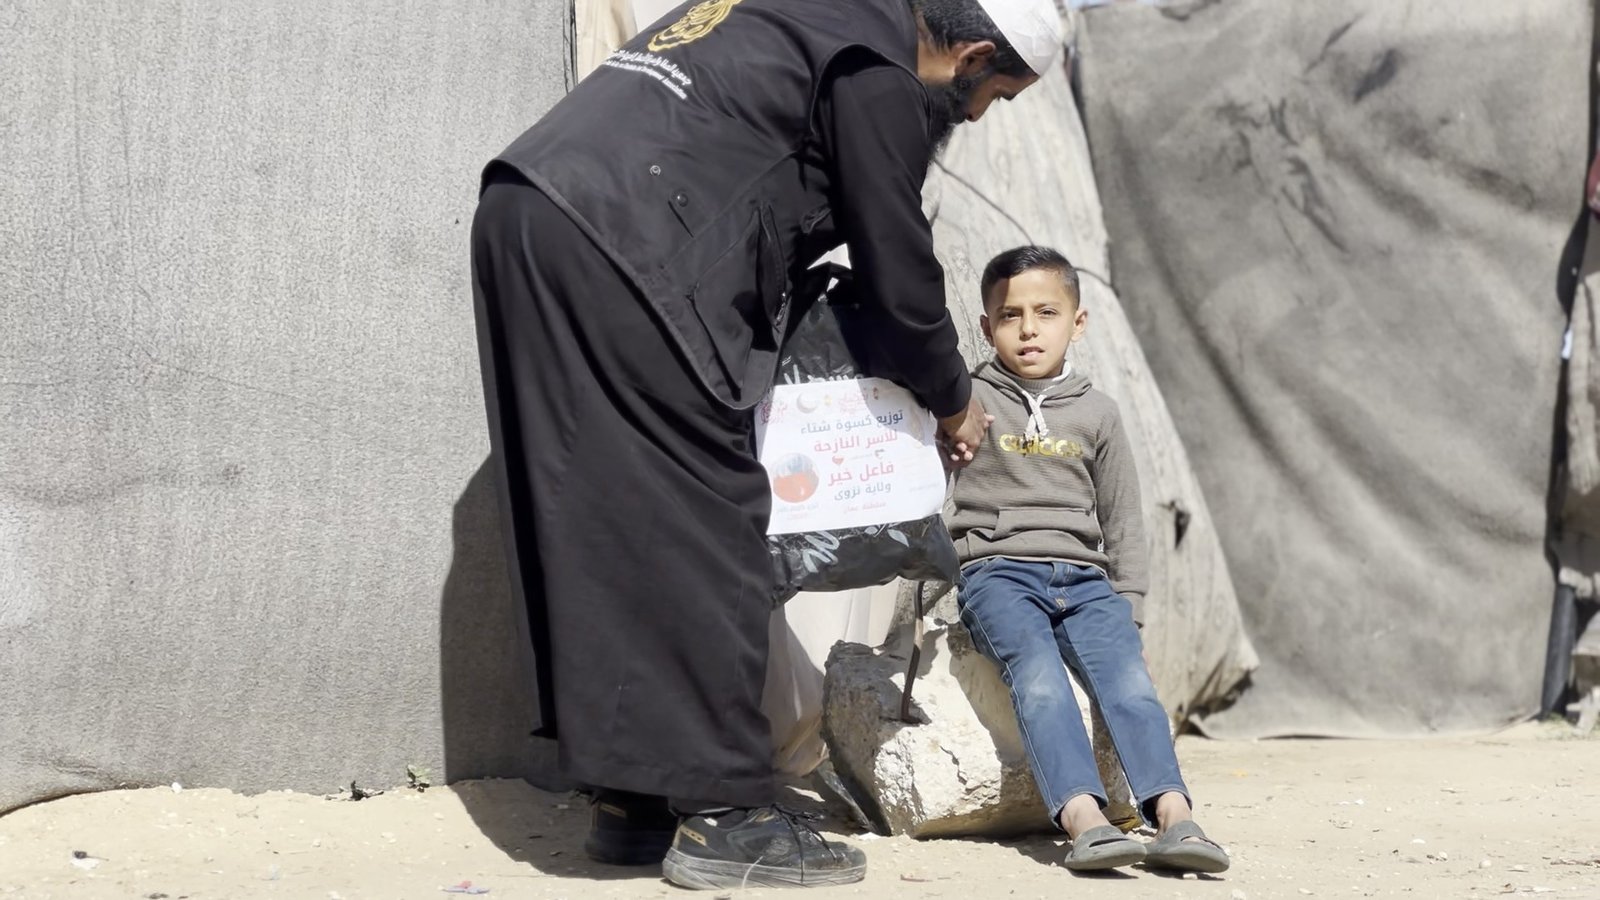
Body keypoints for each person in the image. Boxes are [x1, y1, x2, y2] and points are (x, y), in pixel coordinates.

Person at [469, 0, 1062, 888]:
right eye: (995, 96)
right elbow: (898, 268)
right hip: (628, 239)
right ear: (973, 55)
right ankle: (724, 814)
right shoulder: (877, 67)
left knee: (611, 514)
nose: (978, 116)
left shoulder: (806, 12)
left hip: (530, 206)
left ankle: (637, 797)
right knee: (711, 514)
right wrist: (951, 398)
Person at [946, 246, 1230, 874]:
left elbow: (1122, 517)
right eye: (1010, 315)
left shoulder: (1098, 412)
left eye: (1046, 312)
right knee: (1039, 676)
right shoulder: (966, 400)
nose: (1028, 329)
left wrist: (1129, 609)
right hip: (998, 574)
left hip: (1085, 580)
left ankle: (1175, 816)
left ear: (1077, 322)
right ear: (987, 326)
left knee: (1129, 683)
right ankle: (1084, 819)